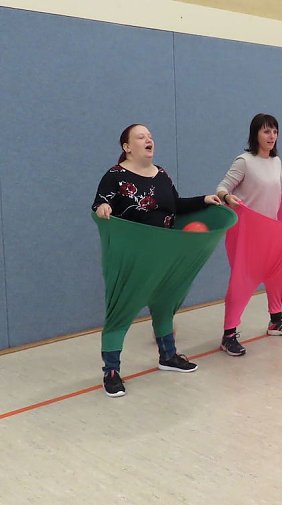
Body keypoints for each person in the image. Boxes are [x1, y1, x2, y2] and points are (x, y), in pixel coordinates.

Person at [92, 123, 222, 397]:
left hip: (163, 254)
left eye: (150, 136)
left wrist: (204, 200)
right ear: (127, 147)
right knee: (121, 310)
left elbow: (175, 206)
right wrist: (103, 208)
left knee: (164, 305)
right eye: (141, 136)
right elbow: (100, 204)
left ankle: (168, 355)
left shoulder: (161, 174)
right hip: (132, 256)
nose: (148, 139)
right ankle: (111, 371)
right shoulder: (114, 175)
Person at [215, 113, 282, 356]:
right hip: (245, 233)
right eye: (266, 131)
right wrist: (227, 198)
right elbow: (222, 187)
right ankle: (229, 335)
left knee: (277, 276)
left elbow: (281, 190)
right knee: (242, 282)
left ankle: (276, 321)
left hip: (270, 232)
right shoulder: (244, 161)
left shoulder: (276, 162)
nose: (272, 136)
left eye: (274, 131)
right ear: (256, 134)